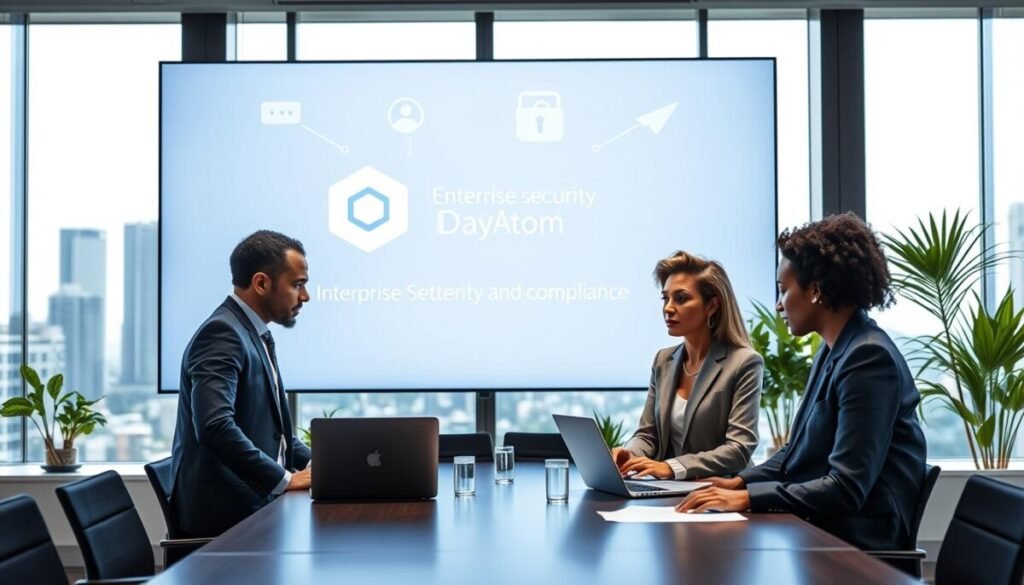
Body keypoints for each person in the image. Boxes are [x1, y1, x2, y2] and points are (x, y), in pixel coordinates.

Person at [676, 213, 927, 552]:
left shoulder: (868, 358)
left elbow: (846, 487)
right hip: (826, 528)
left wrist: (749, 498)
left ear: (815, 290)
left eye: (783, 290)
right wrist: (738, 482)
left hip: (859, 541)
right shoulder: (834, 349)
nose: (778, 304)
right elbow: (795, 453)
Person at [170, 230, 313, 537]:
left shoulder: (250, 332)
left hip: (253, 507)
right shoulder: (222, 333)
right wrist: (285, 480)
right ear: (261, 283)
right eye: (297, 284)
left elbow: (276, 432)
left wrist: (328, 463)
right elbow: (214, 426)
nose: (305, 296)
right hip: (226, 520)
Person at [613, 251, 763, 480]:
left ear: (711, 306)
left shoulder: (744, 362)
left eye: (681, 298)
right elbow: (648, 435)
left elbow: (739, 449)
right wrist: (630, 453)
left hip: (721, 492)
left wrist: (672, 467)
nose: (668, 308)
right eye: (665, 298)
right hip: (669, 492)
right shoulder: (663, 360)